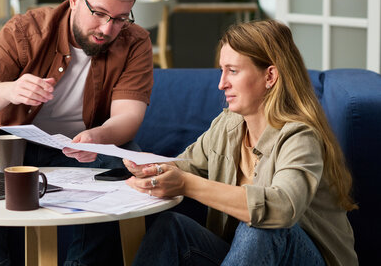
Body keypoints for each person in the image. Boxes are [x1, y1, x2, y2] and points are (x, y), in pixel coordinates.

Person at [0, 0, 153, 266]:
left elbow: (128, 116)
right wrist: (10, 89)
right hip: (11, 146)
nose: (107, 28)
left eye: (120, 18)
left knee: (125, 157)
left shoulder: (135, 42)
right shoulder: (26, 30)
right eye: (99, 13)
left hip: (77, 148)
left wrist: (100, 135)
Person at [124, 20, 358, 266]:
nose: (221, 83)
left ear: (270, 76)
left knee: (262, 226)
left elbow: (282, 208)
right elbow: (185, 166)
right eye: (222, 71)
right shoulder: (229, 125)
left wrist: (186, 185)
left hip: (305, 258)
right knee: (171, 228)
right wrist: (152, 170)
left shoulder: (300, 137)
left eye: (232, 71)